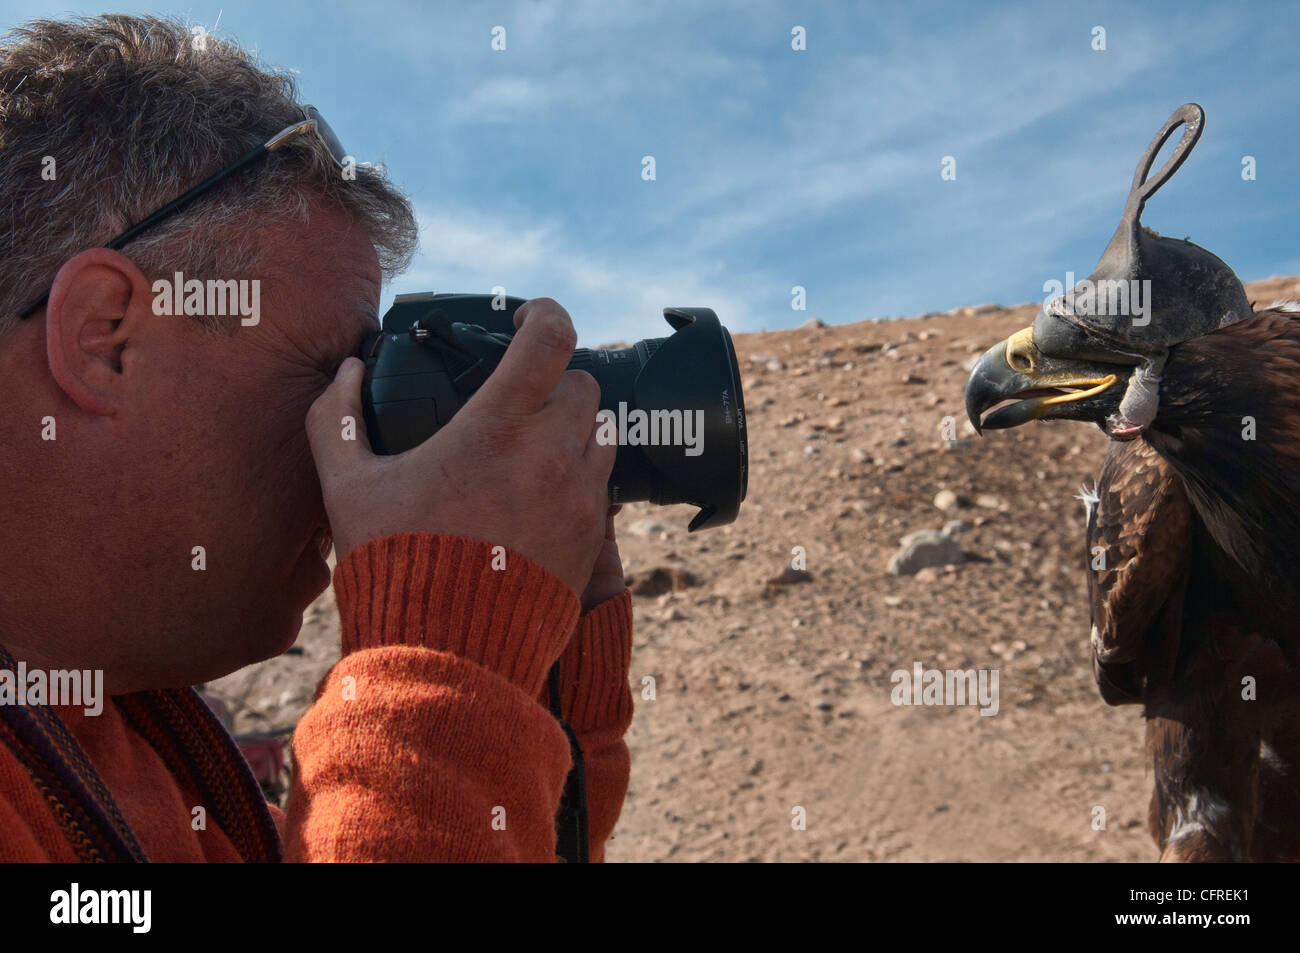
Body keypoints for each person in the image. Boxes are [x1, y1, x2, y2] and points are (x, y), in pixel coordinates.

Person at [0, 13, 633, 862]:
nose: (361, 437)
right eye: (333, 371)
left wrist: (534, 648)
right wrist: (441, 650)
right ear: (106, 336)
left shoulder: (119, 736)